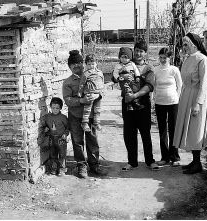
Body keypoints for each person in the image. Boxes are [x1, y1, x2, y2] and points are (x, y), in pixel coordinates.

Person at [173, 32, 207, 174]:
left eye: (186, 44)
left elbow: (204, 85)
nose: (184, 47)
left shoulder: (202, 60)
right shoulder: (187, 59)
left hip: (196, 97)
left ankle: (197, 163)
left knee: (195, 128)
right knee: (188, 129)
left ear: (194, 45)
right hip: (186, 95)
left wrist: (198, 104)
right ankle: (194, 161)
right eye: (183, 44)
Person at [113, 40, 159, 171]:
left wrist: (135, 95)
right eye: (137, 50)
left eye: (141, 51)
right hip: (127, 102)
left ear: (145, 53)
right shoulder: (125, 64)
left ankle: (150, 161)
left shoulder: (148, 68)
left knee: (145, 132)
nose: (138, 53)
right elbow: (113, 77)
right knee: (129, 133)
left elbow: (149, 86)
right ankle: (132, 161)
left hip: (142, 103)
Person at [62, 50, 107, 179]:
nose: (76, 66)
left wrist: (98, 94)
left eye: (78, 63)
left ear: (83, 64)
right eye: (73, 64)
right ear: (69, 67)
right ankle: (81, 165)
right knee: (77, 141)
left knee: (92, 140)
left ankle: (94, 164)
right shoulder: (68, 82)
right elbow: (67, 100)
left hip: (91, 115)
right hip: (75, 115)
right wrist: (81, 100)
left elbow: (101, 88)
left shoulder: (92, 75)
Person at [153, 47, 183, 167]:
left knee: (173, 129)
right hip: (160, 102)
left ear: (169, 58)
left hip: (173, 102)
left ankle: (175, 156)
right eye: (160, 57)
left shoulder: (174, 70)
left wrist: (178, 99)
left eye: (164, 58)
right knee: (162, 130)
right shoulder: (156, 70)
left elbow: (180, 86)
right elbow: (154, 86)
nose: (162, 60)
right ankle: (164, 157)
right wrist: (154, 98)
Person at [40, 97, 69, 176]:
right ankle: (54, 168)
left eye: (57, 108)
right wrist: (46, 129)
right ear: (50, 107)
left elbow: (67, 127)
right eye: (53, 108)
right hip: (52, 138)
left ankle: (62, 169)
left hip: (61, 138)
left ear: (60, 108)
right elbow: (47, 126)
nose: (55, 110)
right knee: (53, 153)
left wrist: (65, 134)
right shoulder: (48, 117)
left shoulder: (63, 117)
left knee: (62, 154)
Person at [78, 54, 104, 132]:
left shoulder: (100, 72)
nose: (91, 66)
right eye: (89, 64)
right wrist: (80, 92)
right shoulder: (86, 73)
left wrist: (102, 91)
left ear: (96, 63)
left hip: (98, 93)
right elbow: (82, 84)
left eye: (93, 64)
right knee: (87, 109)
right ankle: (85, 122)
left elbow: (102, 81)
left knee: (97, 109)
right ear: (86, 64)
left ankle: (96, 122)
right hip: (89, 92)